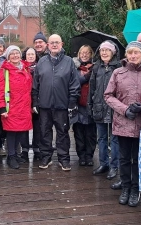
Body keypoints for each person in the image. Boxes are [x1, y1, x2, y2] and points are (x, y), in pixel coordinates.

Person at [104, 41, 141, 207]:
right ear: (126, 55)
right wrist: (124, 110)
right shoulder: (118, 72)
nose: (133, 56)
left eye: (136, 53)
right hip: (123, 122)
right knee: (124, 158)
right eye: (130, 52)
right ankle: (125, 187)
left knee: (138, 158)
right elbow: (108, 95)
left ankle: (135, 188)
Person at [32, 34, 80, 171]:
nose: (54, 45)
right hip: (44, 105)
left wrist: (72, 102)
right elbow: (35, 84)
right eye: (51, 42)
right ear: (48, 45)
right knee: (44, 132)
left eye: (57, 42)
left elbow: (74, 84)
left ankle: (64, 159)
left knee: (63, 133)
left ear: (62, 44)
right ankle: (46, 157)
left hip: (62, 105)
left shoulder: (69, 61)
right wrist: (35, 101)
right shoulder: (41, 62)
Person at [0, 45, 33, 169]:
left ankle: (16, 154)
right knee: (11, 132)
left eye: (17, 53)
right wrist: (2, 108)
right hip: (11, 107)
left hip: (24, 106)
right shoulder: (4, 71)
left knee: (20, 131)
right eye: (12, 54)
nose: (15, 55)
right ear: (8, 57)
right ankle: (11, 156)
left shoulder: (26, 69)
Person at [89, 41, 121, 180]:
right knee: (101, 138)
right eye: (102, 50)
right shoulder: (96, 67)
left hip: (114, 107)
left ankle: (114, 166)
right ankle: (103, 163)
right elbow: (92, 87)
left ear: (113, 52)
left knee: (114, 139)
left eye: (107, 50)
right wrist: (90, 105)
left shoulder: (119, 67)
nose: (104, 53)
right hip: (99, 106)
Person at [72, 45, 97, 166]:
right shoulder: (74, 68)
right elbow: (74, 83)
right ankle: (81, 155)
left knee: (91, 133)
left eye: (87, 52)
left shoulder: (96, 67)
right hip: (78, 104)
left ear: (91, 54)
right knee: (79, 132)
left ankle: (89, 156)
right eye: (82, 52)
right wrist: (86, 77)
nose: (84, 55)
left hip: (91, 104)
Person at [20, 47, 41, 161]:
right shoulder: (21, 67)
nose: (31, 56)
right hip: (24, 101)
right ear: (25, 55)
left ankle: (37, 148)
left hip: (37, 100)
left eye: (33, 54)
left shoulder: (40, 67)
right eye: (29, 54)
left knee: (37, 126)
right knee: (24, 127)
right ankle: (25, 150)